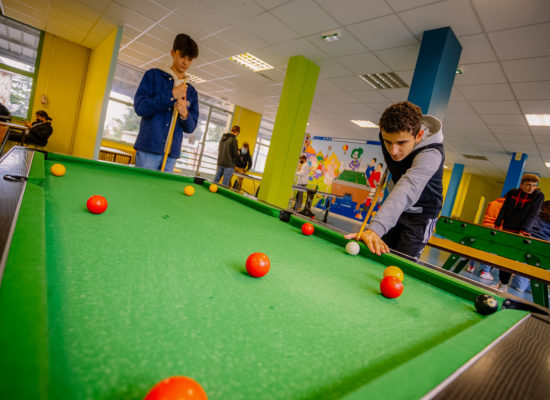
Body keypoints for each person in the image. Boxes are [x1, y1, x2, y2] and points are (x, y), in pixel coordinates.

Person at [345, 101, 444, 258]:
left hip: (421, 216)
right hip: (398, 209)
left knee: (401, 261)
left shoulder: (431, 154)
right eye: (388, 142)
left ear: (418, 136)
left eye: (401, 143)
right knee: (376, 252)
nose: (393, 151)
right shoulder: (387, 135)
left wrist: (375, 228)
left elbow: (408, 186)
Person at [133, 33, 199, 172]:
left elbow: (190, 128)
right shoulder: (153, 75)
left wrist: (185, 114)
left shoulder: (191, 92)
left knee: (160, 194)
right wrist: (172, 95)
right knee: (140, 190)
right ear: (173, 53)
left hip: (171, 155)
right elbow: (140, 108)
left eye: (190, 59)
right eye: (182, 56)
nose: (185, 62)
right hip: (148, 149)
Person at [494, 173, 544, 291]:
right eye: (528, 185)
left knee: (512, 259)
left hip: (522, 232)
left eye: (534, 185)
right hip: (507, 228)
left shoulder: (538, 195)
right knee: (503, 257)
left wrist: (523, 231)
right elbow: (504, 208)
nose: (531, 188)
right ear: (521, 185)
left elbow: (533, 214)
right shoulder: (512, 193)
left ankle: (504, 284)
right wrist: (497, 224)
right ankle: (501, 282)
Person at [510, 200, 550, 292]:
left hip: (530, 243)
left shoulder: (535, 214)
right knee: (543, 267)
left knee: (526, 263)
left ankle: (519, 286)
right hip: (545, 248)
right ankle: (532, 288)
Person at [466, 197, 505, 281]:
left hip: (485, 226)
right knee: (492, 250)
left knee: (479, 247)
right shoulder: (506, 205)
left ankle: (471, 266)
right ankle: (485, 272)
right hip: (496, 229)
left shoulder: (492, 202)